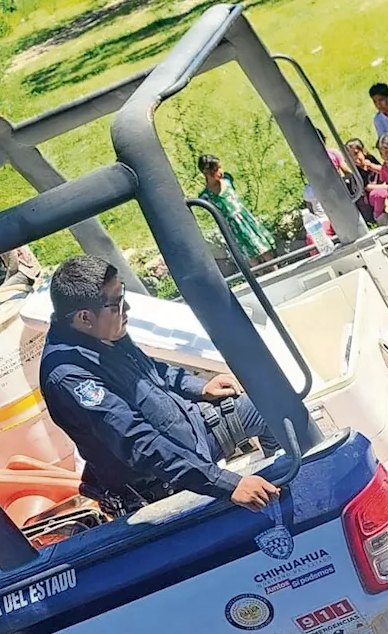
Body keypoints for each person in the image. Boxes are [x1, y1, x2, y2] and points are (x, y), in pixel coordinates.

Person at [40, 256, 279, 513]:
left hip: (192, 429)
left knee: (274, 405)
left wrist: (197, 387)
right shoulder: (70, 378)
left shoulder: (103, 331)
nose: (127, 307)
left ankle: (281, 490)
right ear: (85, 317)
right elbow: (140, 444)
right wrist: (228, 484)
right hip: (162, 478)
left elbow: (151, 369)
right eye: (118, 302)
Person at [197, 154, 275, 266]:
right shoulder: (205, 196)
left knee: (263, 249)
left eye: (220, 167)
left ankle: (276, 270)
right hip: (232, 227)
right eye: (215, 169)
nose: (220, 171)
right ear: (207, 173)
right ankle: (261, 277)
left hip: (245, 220)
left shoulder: (227, 180)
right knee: (249, 256)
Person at [346, 138, 388, 229]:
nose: (355, 159)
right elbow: (367, 187)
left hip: (386, 186)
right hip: (373, 197)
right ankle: (379, 216)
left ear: (363, 151)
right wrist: (383, 187)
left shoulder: (370, 159)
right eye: (350, 157)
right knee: (380, 193)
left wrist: (371, 166)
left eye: (356, 154)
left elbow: (383, 171)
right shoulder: (356, 171)